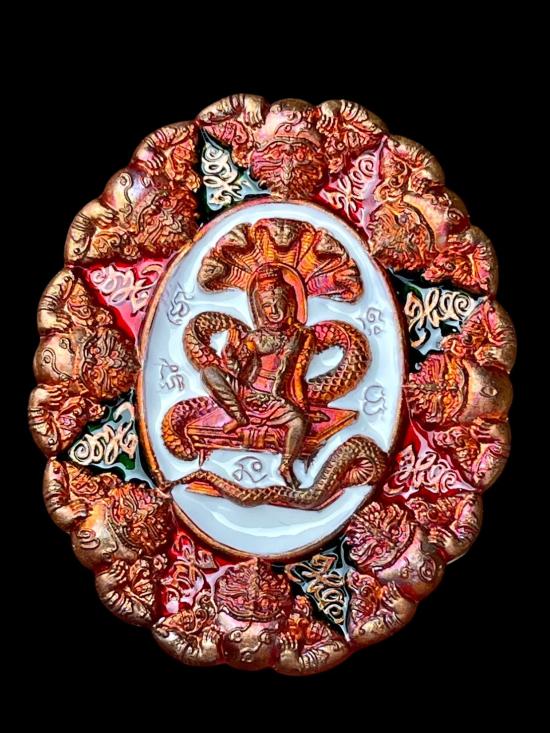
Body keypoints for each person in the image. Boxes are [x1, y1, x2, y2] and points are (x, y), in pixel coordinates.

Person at [200, 264, 322, 489]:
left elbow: (298, 375)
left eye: (277, 303)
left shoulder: (301, 336)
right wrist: (230, 357)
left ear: (289, 302)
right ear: (259, 308)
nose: (272, 310)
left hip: (276, 399)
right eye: (266, 305)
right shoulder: (254, 338)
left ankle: (285, 465)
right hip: (247, 394)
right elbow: (239, 371)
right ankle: (238, 415)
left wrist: (303, 408)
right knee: (209, 372)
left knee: (298, 422)